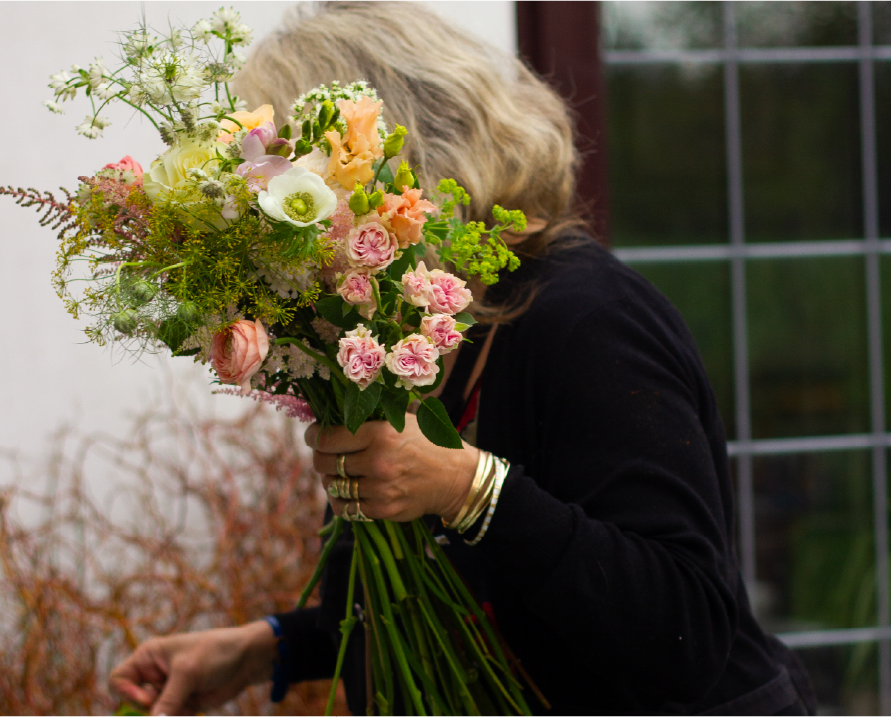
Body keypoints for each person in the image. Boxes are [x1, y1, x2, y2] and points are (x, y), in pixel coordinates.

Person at [109, 1, 818, 715]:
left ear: (391, 158)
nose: (269, 214)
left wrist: (465, 486)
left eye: (286, 179)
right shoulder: (411, 323)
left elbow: (681, 628)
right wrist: (266, 647)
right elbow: (445, 592)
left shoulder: (588, 317)